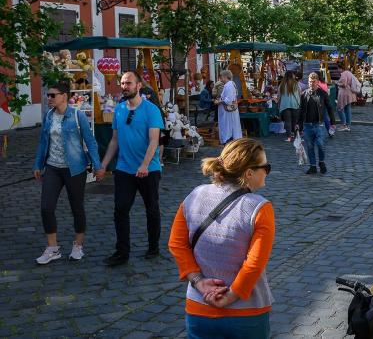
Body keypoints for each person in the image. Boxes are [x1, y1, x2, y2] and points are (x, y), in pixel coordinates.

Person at [168, 138, 275, 338]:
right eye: (266, 167)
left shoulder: (194, 195)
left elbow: (176, 244)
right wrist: (231, 296)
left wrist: (199, 281)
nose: (267, 171)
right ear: (249, 173)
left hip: (199, 305)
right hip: (246, 312)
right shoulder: (260, 208)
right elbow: (254, 264)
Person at [32, 81, 104, 264]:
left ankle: (78, 245)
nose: (49, 98)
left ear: (64, 96)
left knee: (76, 207)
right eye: (48, 95)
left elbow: (91, 141)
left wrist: (98, 166)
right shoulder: (48, 116)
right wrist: (38, 164)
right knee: (46, 207)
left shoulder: (77, 116)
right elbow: (43, 142)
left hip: (75, 169)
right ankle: (52, 248)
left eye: (52, 95)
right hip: (53, 168)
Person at [100, 71, 164, 266]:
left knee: (151, 208)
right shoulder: (119, 110)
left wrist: (145, 164)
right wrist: (103, 165)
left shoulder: (151, 110)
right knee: (120, 209)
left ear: (138, 86)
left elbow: (154, 141)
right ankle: (122, 252)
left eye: (129, 83)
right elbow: (114, 140)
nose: (125, 86)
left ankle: (153, 247)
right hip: (124, 169)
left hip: (149, 170)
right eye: (122, 83)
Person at [298, 72, 336, 175]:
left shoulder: (322, 94)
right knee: (310, 146)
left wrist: (333, 122)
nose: (311, 84)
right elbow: (301, 110)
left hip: (319, 124)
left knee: (320, 144)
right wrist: (298, 124)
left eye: (313, 82)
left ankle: (321, 162)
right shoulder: (304, 94)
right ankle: (313, 166)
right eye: (310, 82)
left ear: (318, 82)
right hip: (307, 125)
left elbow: (330, 108)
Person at [214, 70, 243, 145]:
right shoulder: (230, 84)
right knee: (230, 125)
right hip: (228, 110)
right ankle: (230, 140)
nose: (220, 79)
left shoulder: (229, 85)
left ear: (225, 77)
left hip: (227, 111)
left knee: (228, 126)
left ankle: (228, 141)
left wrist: (219, 102)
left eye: (221, 77)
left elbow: (228, 100)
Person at [335, 62, 359, 132]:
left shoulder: (343, 74)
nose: (337, 70)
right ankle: (348, 125)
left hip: (344, 93)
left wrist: (337, 83)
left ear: (340, 68)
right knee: (347, 109)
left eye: (338, 69)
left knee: (339, 109)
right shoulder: (349, 72)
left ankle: (344, 125)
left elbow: (344, 84)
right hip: (350, 93)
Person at [279, 71, 301, 142]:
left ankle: (289, 137)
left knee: (287, 121)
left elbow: (279, 94)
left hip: (285, 105)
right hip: (295, 104)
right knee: (294, 121)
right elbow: (300, 93)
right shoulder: (296, 84)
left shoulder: (282, 84)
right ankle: (295, 136)